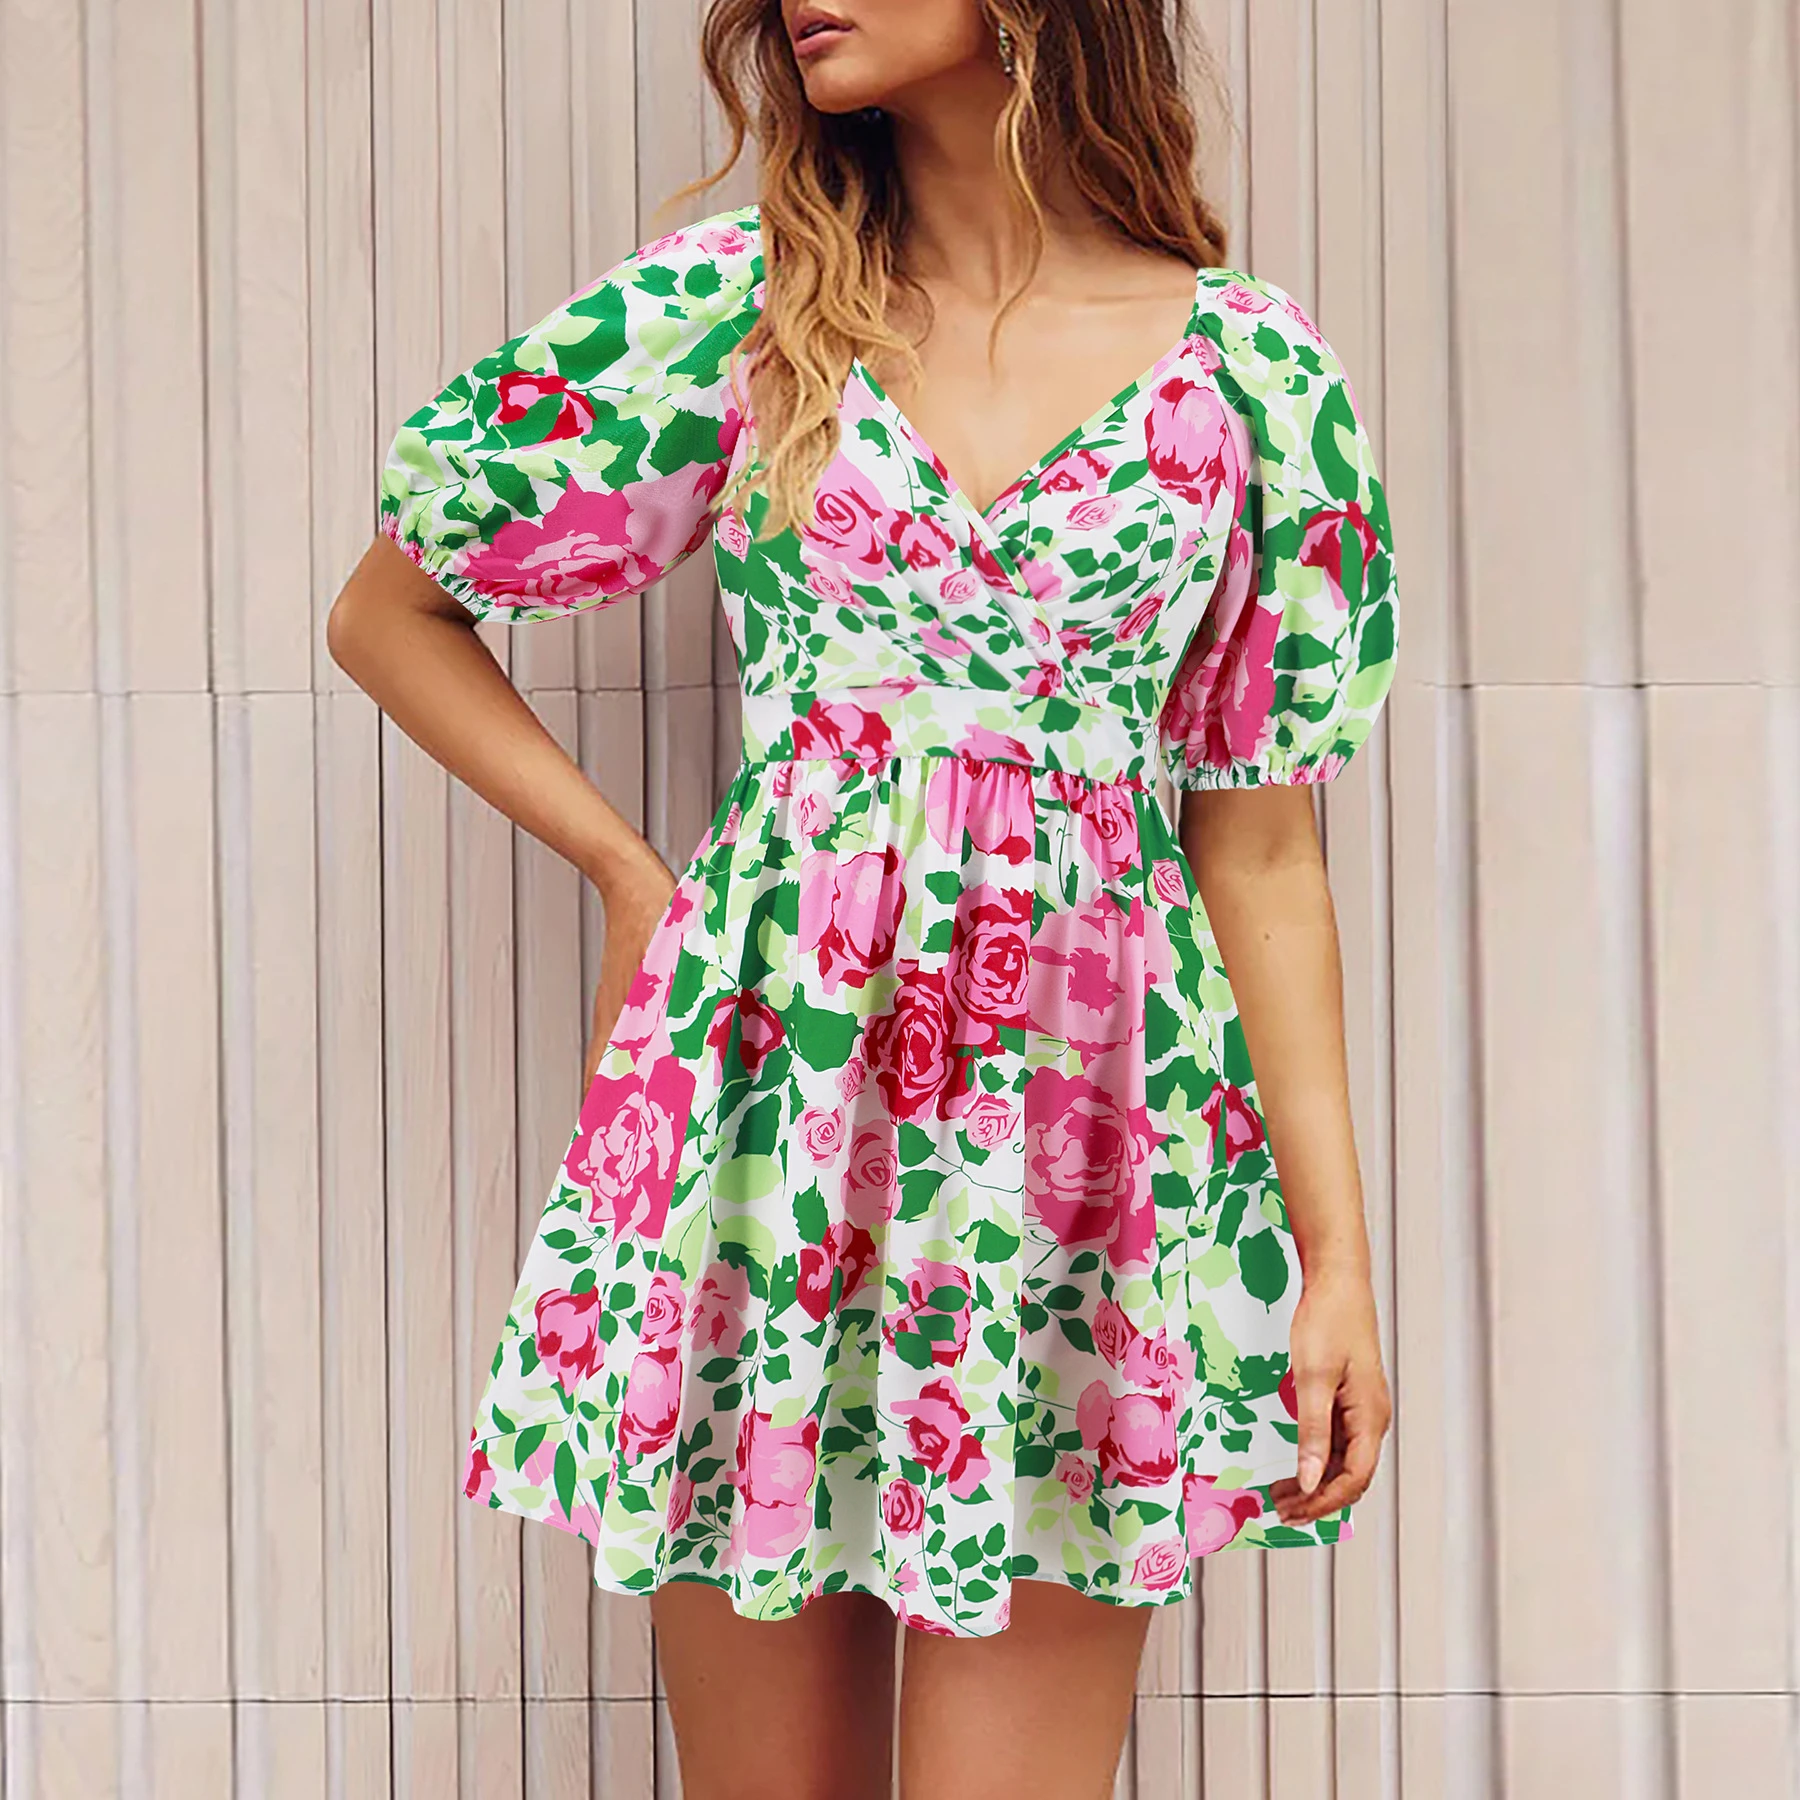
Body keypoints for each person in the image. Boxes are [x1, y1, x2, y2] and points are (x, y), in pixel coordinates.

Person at [327, 2, 1400, 1794]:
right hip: (768, 1137)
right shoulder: (739, 312)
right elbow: (392, 611)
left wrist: (1336, 1265)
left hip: (1082, 1175)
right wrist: (629, 875)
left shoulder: (1253, 376)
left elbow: (1265, 849)